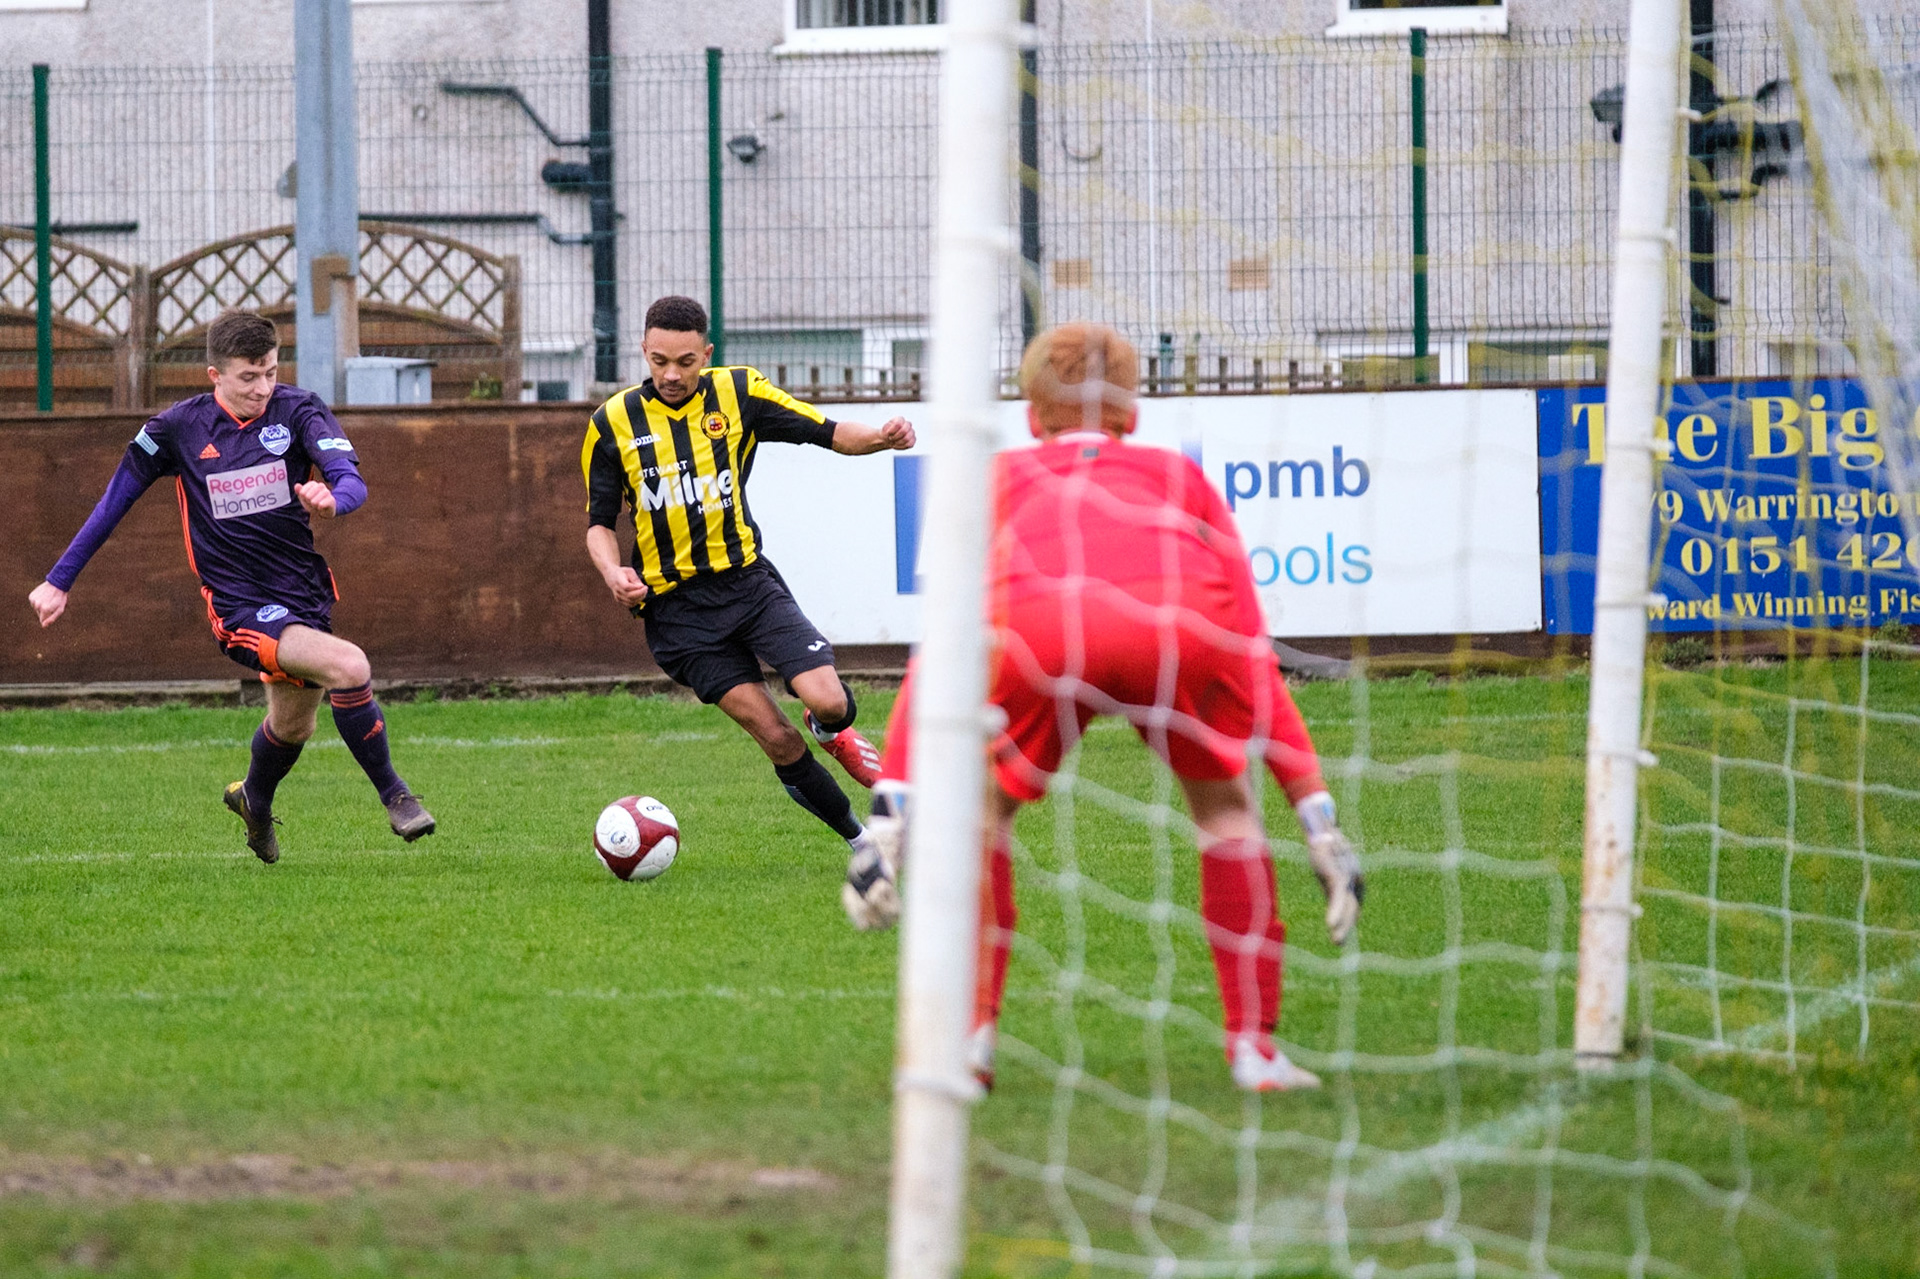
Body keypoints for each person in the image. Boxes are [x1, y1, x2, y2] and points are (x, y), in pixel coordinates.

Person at [845, 322, 1363, 1093]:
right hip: (1175, 625)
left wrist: (891, 816)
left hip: (1040, 633)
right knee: (1226, 812)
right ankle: (1254, 1049)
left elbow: (941, 650)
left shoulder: (996, 477)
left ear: (1030, 414)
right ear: (1133, 413)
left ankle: (971, 1042)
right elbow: (1252, 649)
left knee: (982, 815)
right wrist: (1316, 815)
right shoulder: (1179, 477)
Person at [27, 309, 435, 864]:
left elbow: (349, 477)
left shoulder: (298, 409)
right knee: (351, 666)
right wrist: (60, 578)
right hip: (238, 605)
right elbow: (114, 500)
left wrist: (333, 498)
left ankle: (254, 800)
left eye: (270, 371)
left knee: (294, 724)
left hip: (303, 594)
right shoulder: (175, 429)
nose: (263, 387)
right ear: (214, 375)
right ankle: (397, 797)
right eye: (249, 376)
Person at [581, 295, 914, 880]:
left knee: (830, 701)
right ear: (644, 350)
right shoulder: (611, 423)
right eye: (660, 360)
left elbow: (829, 431)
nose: (672, 374)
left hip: (749, 586)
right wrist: (613, 572)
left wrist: (883, 437)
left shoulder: (739, 392)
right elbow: (598, 525)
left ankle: (828, 728)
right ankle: (862, 842)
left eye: (686, 361)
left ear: (706, 354)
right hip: (678, 616)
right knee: (775, 735)